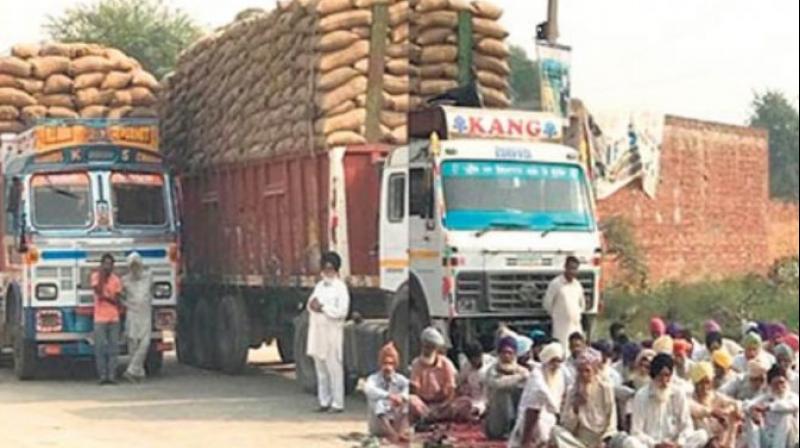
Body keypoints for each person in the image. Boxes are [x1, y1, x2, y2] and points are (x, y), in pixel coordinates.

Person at [629, 354, 709, 448]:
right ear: (653, 376)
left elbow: (687, 426)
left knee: (702, 435)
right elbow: (636, 432)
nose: (664, 381)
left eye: (667, 375)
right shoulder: (641, 396)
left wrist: (679, 443)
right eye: (660, 376)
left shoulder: (678, 393)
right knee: (630, 442)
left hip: (675, 445)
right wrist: (656, 444)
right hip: (651, 446)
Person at [306, 251, 350, 413]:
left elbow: (342, 312)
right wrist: (312, 306)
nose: (327, 272)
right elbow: (310, 304)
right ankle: (324, 401)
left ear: (336, 270)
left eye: (330, 269)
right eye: (325, 269)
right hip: (318, 333)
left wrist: (323, 308)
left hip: (332, 334)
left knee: (334, 369)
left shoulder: (340, 288)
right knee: (321, 369)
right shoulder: (319, 286)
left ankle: (337, 403)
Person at [552, 349, 619, 448]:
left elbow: (612, 420)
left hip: (600, 439)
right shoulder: (572, 390)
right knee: (555, 431)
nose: (584, 375)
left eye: (587, 371)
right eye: (580, 371)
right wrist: (575, 408)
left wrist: (605, 440)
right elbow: (567, 427)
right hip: (578, 440)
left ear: (595, 370)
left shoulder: (605, 388)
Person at [508, 342, 568, 448]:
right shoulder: (537, 373)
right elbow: (542, 391)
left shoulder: (561, 373)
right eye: (553, 361)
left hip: (551, 416)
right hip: (530, 416)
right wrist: (555, 409)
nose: (556, 365)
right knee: (535, 407)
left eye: (558, 361)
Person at [409, 327, 470, 423]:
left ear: (436, 348)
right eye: (425, 346)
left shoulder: (446, 363)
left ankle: (434, 417)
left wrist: (444, 404)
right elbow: (414, 391)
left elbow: (452, 389)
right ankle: (429, 417)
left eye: (430, 347)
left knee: (465, 402)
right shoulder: (416, 364)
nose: (427, 350)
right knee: (411, 400)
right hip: (425, 406)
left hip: (443, 405)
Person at [484, 336, 530, 440]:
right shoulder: (492, 371)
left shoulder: (523, 371)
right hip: (497, 419)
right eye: (504, 352)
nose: (506, 356)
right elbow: (498, 384)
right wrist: (518, 378)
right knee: (502, 392)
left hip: (518, 415)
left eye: (510, 353)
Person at [744, 364, 799, 448]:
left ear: (787, 382)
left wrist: (768, 407)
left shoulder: (793, 397)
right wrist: (752, 411)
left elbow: (791, 406)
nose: (780, 387)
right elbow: (747, 404)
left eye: (782, 382)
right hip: (768, 438)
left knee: (786, 417)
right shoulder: (766, 397)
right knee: (750, 418)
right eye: (776, 384)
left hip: (789, 441)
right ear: (770, 385)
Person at [365, 343, 410, 444]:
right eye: (385, 363)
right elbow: (369, 390)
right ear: (380, 364)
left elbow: (409, 389)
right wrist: (389, 396)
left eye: (391, 364)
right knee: (378, 403)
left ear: (395, 365)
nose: (388, 367)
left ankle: (399, 434)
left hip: (397, 422)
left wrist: (401, 398)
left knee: (408, 403)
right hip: (378, 427)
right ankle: (392, 434)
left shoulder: (401, 380)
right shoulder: (373, 379)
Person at [688, 362, 741, 448]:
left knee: (733, 416)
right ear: (695, 383)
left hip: (720, 442)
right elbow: (694, 408)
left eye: (707, 382)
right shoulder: (689, 398)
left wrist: (725, 411)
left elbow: (736, 404)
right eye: (701, 383)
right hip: (700, 443)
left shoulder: (717, 397)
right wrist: (712, 413)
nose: (705, 386)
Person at [121, 253, 153, 383]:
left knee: (145, 343)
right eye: (132, 266)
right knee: (133, 343)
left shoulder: (148, 277)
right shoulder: (125, 280)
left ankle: (132, 370)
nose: (135, 268)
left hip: (145, 314)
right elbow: (120, 295)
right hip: (132, 314)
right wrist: (126, 304)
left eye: (136, 265)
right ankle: (138, 373)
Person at [92, 253, 124, 385]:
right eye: (105, 264)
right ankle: (102, 376)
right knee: (99, 348)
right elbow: (98, 292)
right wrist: (102, 278)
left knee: (113, 349)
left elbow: (117, 299)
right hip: (99, 318)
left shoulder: (116, 280)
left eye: (110, 264)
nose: (107, 266)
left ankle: (112, 376)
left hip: (114, 318)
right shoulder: (95, 277)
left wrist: (108, 298)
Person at [543, 256, 586, 351]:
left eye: (575, 269)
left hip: (576, 325)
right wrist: (558, 315)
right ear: (565, 267)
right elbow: (547, 304)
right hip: (561, 327)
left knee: (577, 349)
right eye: (570, 268)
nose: (572, 271)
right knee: (562, 349)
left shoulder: (577, 285)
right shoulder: (556, 284)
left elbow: (582, 305)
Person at [456, 341, 493, 420]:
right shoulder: (466, 366)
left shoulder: (491, 364)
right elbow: (459, 383)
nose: (475, 362)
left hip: (489, 400)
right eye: (472, 360)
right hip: (472, 400)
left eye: (477, 358)